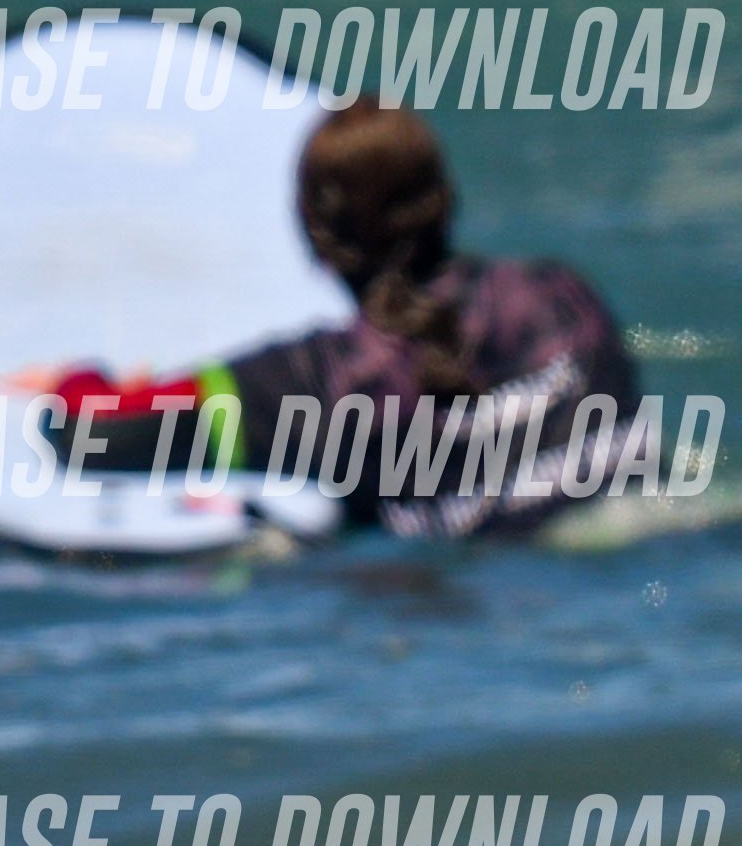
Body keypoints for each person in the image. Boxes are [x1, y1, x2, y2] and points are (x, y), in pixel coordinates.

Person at [36, 98, 640, 537]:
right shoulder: (566, 297)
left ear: (313, 236)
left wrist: (72, 380)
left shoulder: (310, 383)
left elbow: (93, 435)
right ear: (446, 199)